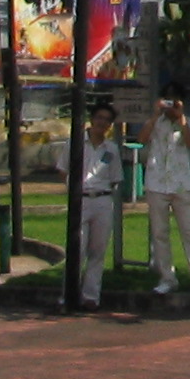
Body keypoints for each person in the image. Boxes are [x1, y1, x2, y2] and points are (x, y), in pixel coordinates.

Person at [140, 97, 190, 297]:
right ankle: (167, 279)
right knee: (159, 233)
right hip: (157, 183)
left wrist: (181, 118)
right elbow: (142, 139)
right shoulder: (155, 123)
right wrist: (155, 115)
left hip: (181, 184)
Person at [74, 100, 123, 311]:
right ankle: (69, 295)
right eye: (99, 118)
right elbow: (63, 169)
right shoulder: (76, 143)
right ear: (92, 119)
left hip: (102, 199)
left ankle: (90, 297)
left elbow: (115, 177)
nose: (102, 123)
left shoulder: (111, 149)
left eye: (107, 120)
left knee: (98, 251)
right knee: (78, 249)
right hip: (81, 199)